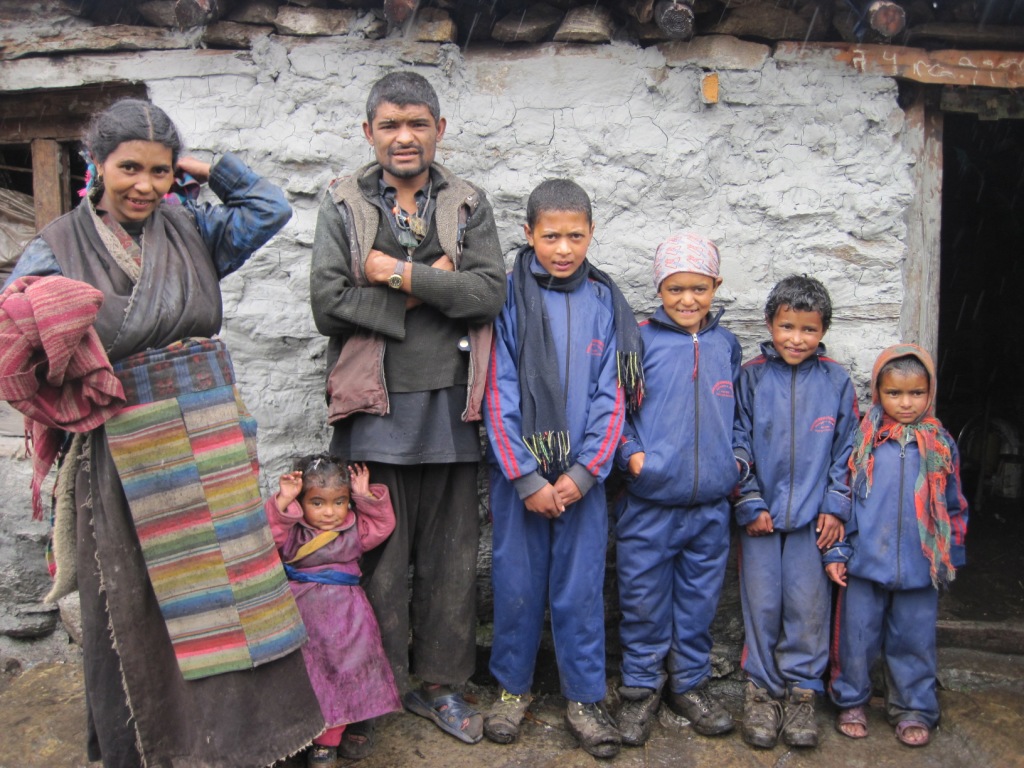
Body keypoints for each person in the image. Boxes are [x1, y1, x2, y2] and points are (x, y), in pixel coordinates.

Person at [0, 99, 323, 767]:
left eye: (160, 170)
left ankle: (247, 742)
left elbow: (268, 208)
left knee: (236, 594)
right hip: (125, 449)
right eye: (129, 168)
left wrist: (202, 165)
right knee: (138, 600)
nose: (145, 185)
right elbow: (16, 327)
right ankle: (155, 748)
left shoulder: (193, 228)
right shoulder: (59, 243)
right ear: (97, 164)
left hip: (212, 437)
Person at [310, 71, 506, 753]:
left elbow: (486, 294)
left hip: (454, 405)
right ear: (369, 132)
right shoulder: (341, 203)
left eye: (417, 124)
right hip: (373, 405)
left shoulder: (467, 204)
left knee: (452, 558)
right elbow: (328, 304)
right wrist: (434, 286)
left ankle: (440, 684)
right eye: (390, 125)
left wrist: (393, 274)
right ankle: (371, 688)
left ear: (439, 131)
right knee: (378, 560)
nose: (404, 137)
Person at [481, 178, 642, 759]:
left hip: (584, 483)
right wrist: (526, 477)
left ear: (592, 233)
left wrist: (583, 474)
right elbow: (496, 393)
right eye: (551, 236)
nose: (564, 248)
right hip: (518, 482)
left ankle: (584, 696)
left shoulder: (605, 305)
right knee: (517, 585)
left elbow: (612, 399)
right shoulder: (504, 299)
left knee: (579, 591)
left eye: (576, 235)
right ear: (528, 234)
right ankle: (510, 690)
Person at [614, 231, 743, 747]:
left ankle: (689, 685)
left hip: (711, 506)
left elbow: (738, 416)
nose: (687, 300)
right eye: (675, 289)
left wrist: (735, 462)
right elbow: (615, 409)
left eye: (698, 288)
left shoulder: (726, 345)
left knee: (698, 603)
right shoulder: (640, 339)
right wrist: (634, 457)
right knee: (643, 600)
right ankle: (641, 690)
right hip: (648, 505)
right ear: (659, 290)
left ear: (716, 285)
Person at [732, 275, 859, 749]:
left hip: (812, 523)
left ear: (823, 331)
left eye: (808, 329)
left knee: (808, 607)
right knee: (762, 605)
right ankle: (761, 692)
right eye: (787, 326)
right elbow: (737, 439)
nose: (796, 339)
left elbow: (847, 451)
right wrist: (749, 501)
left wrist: (835, 507)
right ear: (770, 324)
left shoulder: (836, 382)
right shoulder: (751, 377)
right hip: (760, 521)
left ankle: (803, 693)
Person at [825, 344, 968, 748]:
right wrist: (837, 552)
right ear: (878, 393)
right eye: (895, 393)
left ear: (930, 392)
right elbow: (841, 500)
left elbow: (955, 504)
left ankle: (913, 708)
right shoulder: (863, 440)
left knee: (914, 641)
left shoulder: (940, 445)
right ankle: (852, 700)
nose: (906, 404)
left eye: (917, 393)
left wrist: (949, 557)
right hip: (865, 564)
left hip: (921, 568)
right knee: (855, 638)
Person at [266, 455, 402, 767]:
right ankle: (299, 737)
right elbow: (268, 536)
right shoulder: (293, 533)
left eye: (339, 502)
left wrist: (364, 496)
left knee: (342, 677)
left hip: (348, 622)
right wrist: (284, 500)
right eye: (317, 502)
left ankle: (327, 745)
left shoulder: (355, 530)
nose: (330, 512)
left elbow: (384, 524)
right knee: (308, 679)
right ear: (302, 503)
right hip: (303, 618)